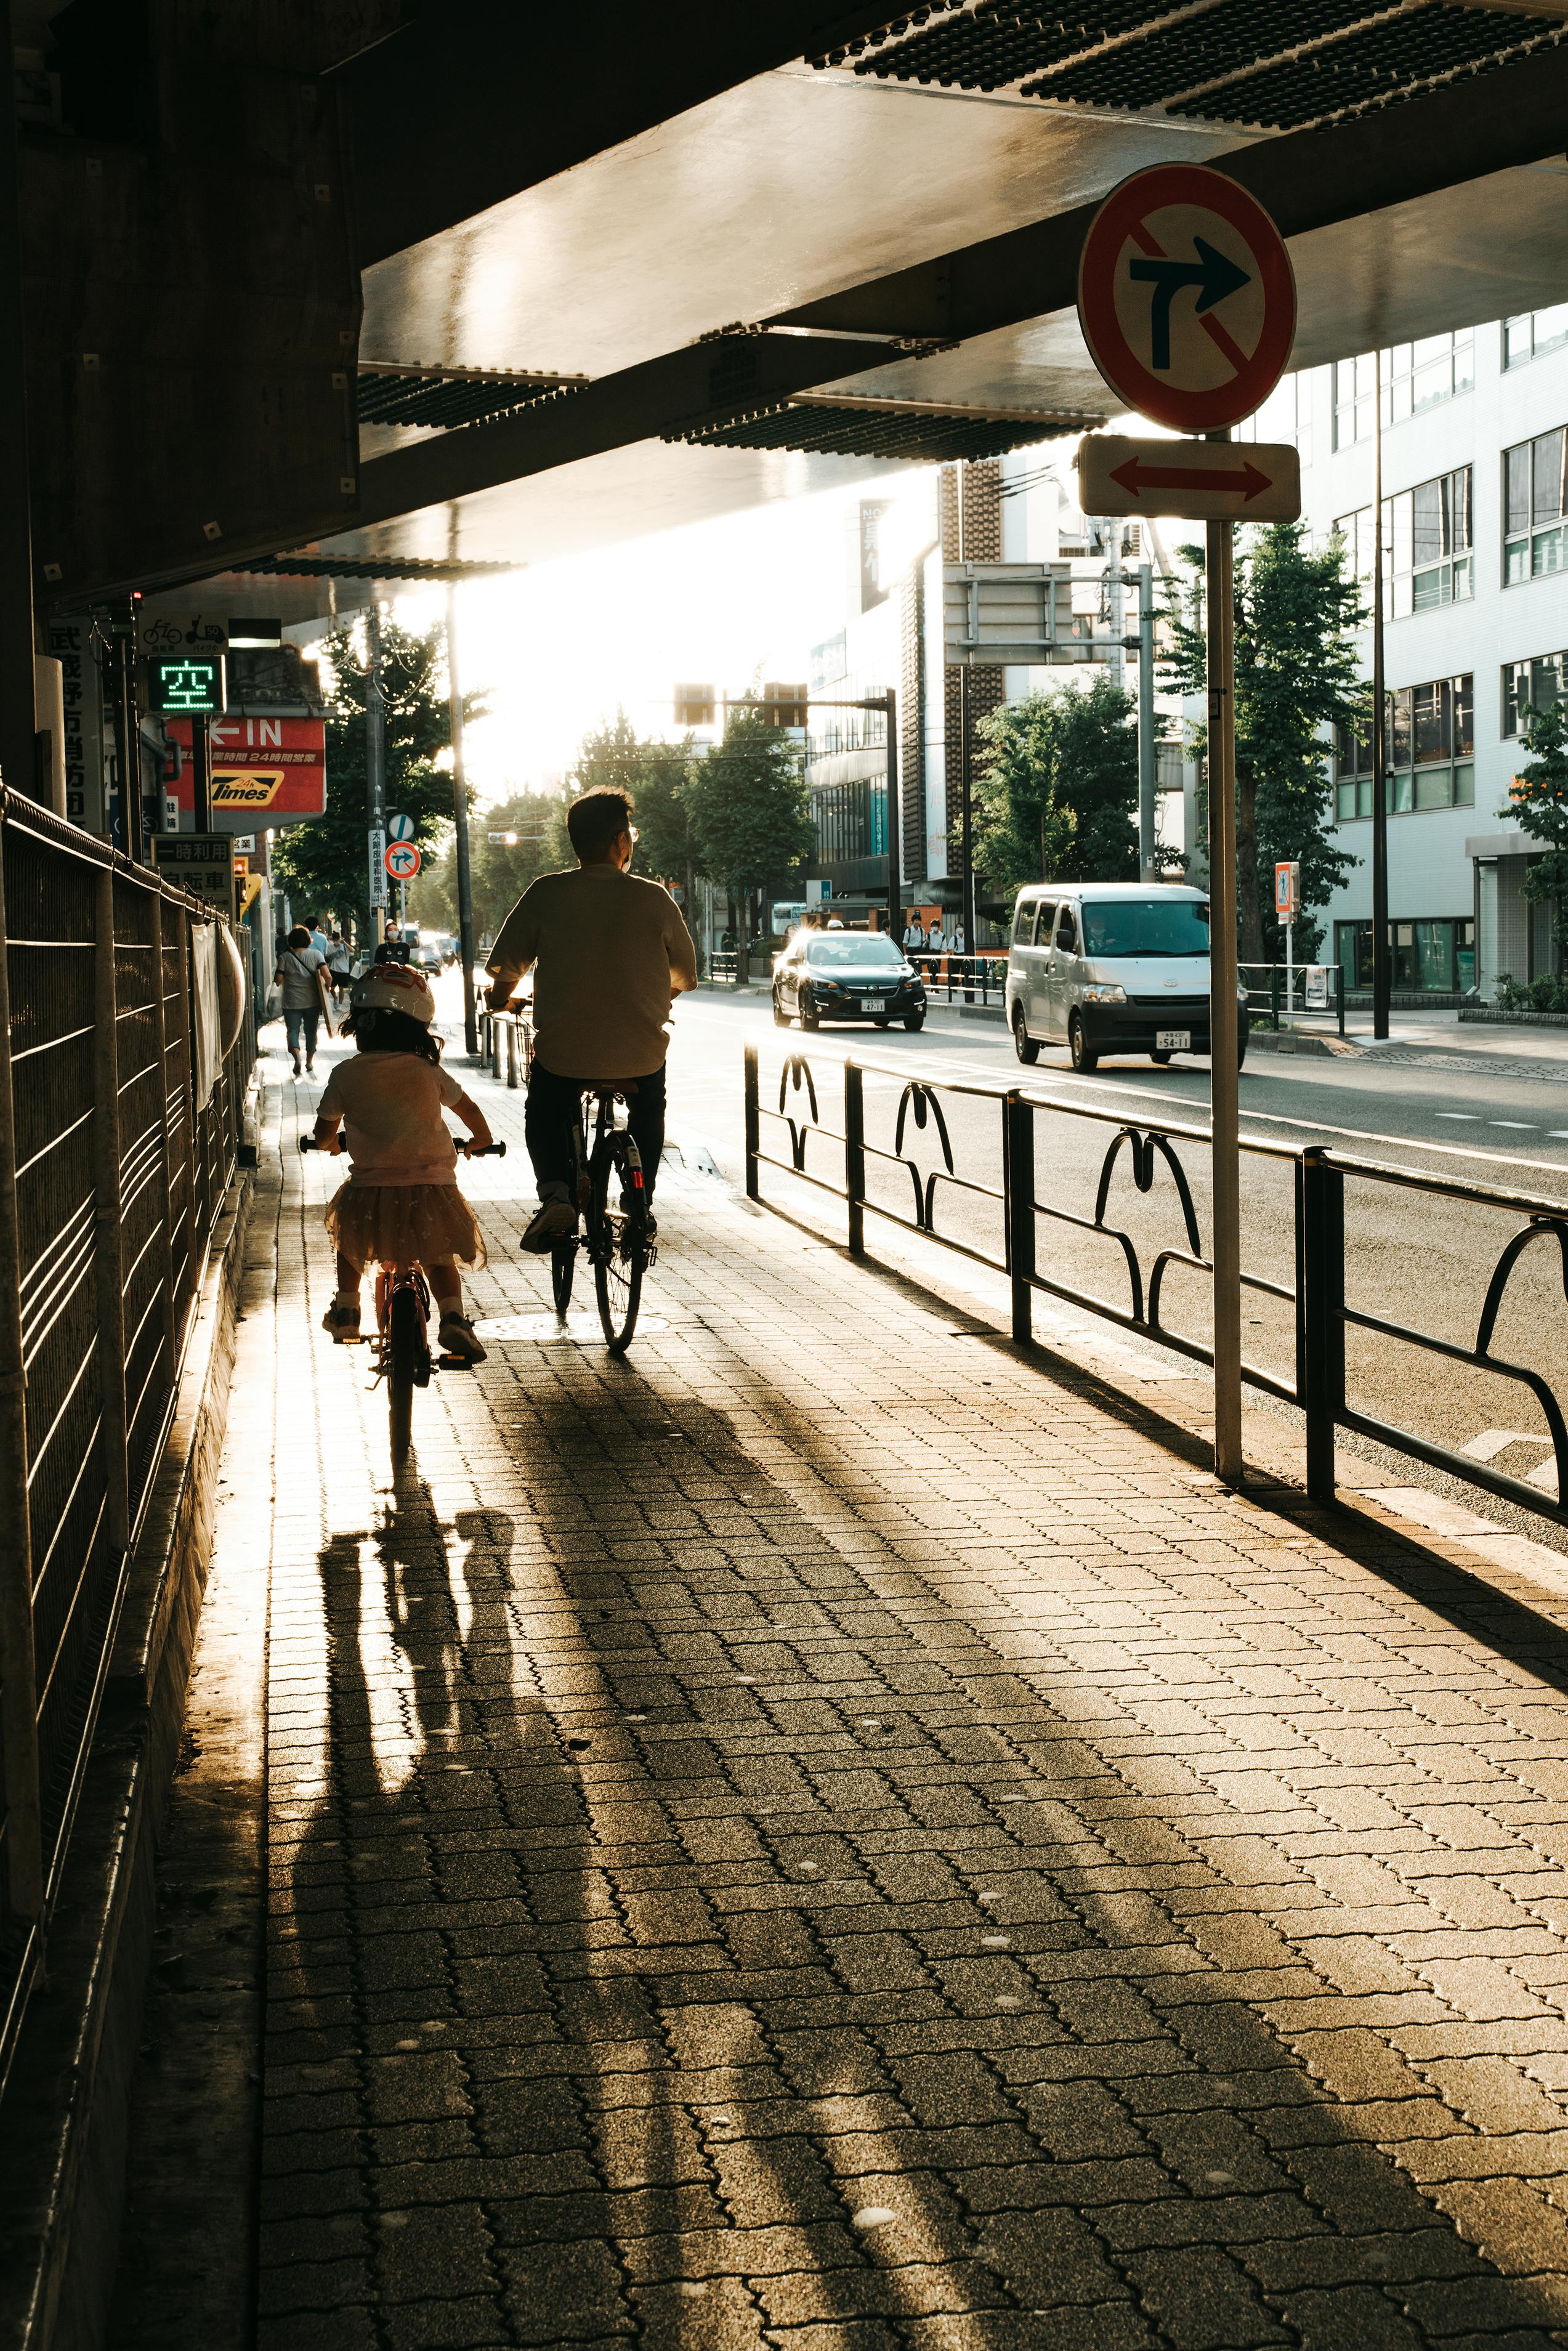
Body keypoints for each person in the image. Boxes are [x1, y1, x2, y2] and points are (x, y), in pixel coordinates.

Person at [485, 786, 698, 1253]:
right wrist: (651, 995)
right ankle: (639, 1199)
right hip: (639, 1055)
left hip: (566, 1056)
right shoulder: (654, 898)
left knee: (543, 1108)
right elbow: (686, 974)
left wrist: (499, 999)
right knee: (650, 1104)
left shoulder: (546, 892)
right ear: (621, 839)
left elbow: (507, 970)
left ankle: (557, 1196)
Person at [311, 961, 494, 1363]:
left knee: (351, 1240)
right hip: (433, 1188)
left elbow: (325, 1132)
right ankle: (453, 1319)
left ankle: (347, 1310)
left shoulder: (346, 1074)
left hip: (371, 1189)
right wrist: (482, 1140)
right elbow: (470, 1110)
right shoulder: (429, 1071)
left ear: (360, 1027)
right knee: (438, 1253)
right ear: (418, 1027)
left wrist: (330, 1144)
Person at [275, 923, 327, 1075]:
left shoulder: (285, 957)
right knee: (311, 1032)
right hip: (312, 1002)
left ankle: (297, 1057)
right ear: (308, 940)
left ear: (291, 940)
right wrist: (327, 988)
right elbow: (328, 977)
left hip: (291, 1002)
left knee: (292, 1031)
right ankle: (309, 1062)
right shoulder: (316, 955)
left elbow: (278, 979)